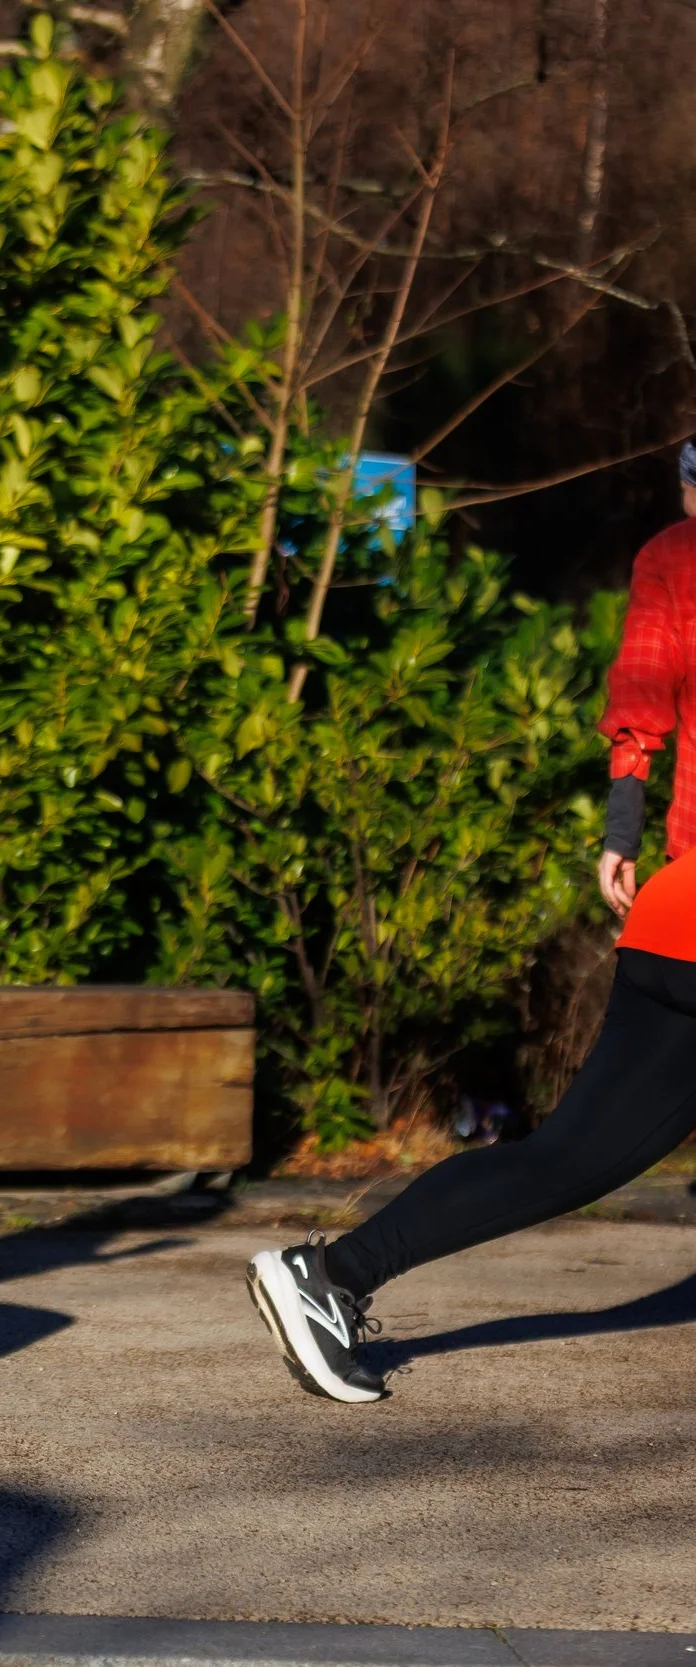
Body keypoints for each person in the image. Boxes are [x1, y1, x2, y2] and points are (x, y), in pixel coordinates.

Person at [248, 440, 696, 1403]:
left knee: (565, 1159)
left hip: (676, 911)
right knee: (569, 1159)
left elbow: (642, 699)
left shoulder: (674, 554)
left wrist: (622, 829)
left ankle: (329, 1277)